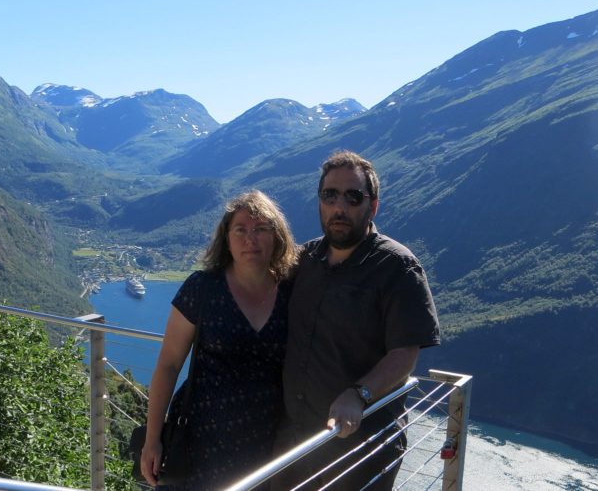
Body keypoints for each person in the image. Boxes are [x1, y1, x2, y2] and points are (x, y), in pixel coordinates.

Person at [272, 150, 441, 490]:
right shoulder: (303, 261)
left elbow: (404, 354)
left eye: (353, 197)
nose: (340, 207)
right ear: (319, 201)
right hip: (295, 441)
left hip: (361, 447)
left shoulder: (397, 268)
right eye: (329, 195)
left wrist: (358, 394)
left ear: (373, 205)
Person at [141, 190, 298, 490]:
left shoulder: (292, 291)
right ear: (226, 239)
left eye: (261, 229)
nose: (250, 238)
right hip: (200, 442)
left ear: (277, 237)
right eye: (240, 229)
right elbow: (169, 364)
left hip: (267, 445)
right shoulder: (202, 288)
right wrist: (152, 440)